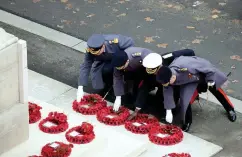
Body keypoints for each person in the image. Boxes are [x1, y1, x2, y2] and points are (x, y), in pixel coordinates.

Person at [156, 56, 237, 132]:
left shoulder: (186, 66)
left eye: (168, 82)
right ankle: (187, 121)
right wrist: (168, 110)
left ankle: (229, 109)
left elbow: (207, 68)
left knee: (217, 90)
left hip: (203, 75)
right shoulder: (166, 78)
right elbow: (167, 93)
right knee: (185, 100)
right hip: (188, 82)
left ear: (173, 77)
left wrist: (211, 80)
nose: (167, 85)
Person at [128, 49, 196, 120]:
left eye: (154, 71)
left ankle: (169, 112)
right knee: (145, 88)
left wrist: (192, 61)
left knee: (169, 93)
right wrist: (137, 109)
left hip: (174, 78)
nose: (153, 73)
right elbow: (145, 87)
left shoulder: (168, 58)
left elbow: (189, 51)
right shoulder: (149, 70)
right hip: (158, 79)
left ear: (159, 66)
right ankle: (154, 110)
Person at [76, 34, 134, 102]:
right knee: (105, 71)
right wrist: (80, 87)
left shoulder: (115, 41)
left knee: (120, 71)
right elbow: (86, 65)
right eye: (94, 53)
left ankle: (125, 89)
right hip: (105, 61)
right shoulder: (90, 49)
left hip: (119, 59)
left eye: (97, 53)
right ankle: (110, 85)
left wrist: (123, 57)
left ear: (103, 46)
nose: (95, 55)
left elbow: (130, 43)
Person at [111, 47, 155, 111]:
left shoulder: (139, 56)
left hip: (148, 67)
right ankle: (131, 90)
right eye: (118, 68)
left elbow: (153, 61)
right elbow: (117, 78)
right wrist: (118, 97)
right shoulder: (118, 63)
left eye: (121, 67)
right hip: (133, 69)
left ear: (127, 61)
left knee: (143, 84)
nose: (119, 69)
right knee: (129, 77)